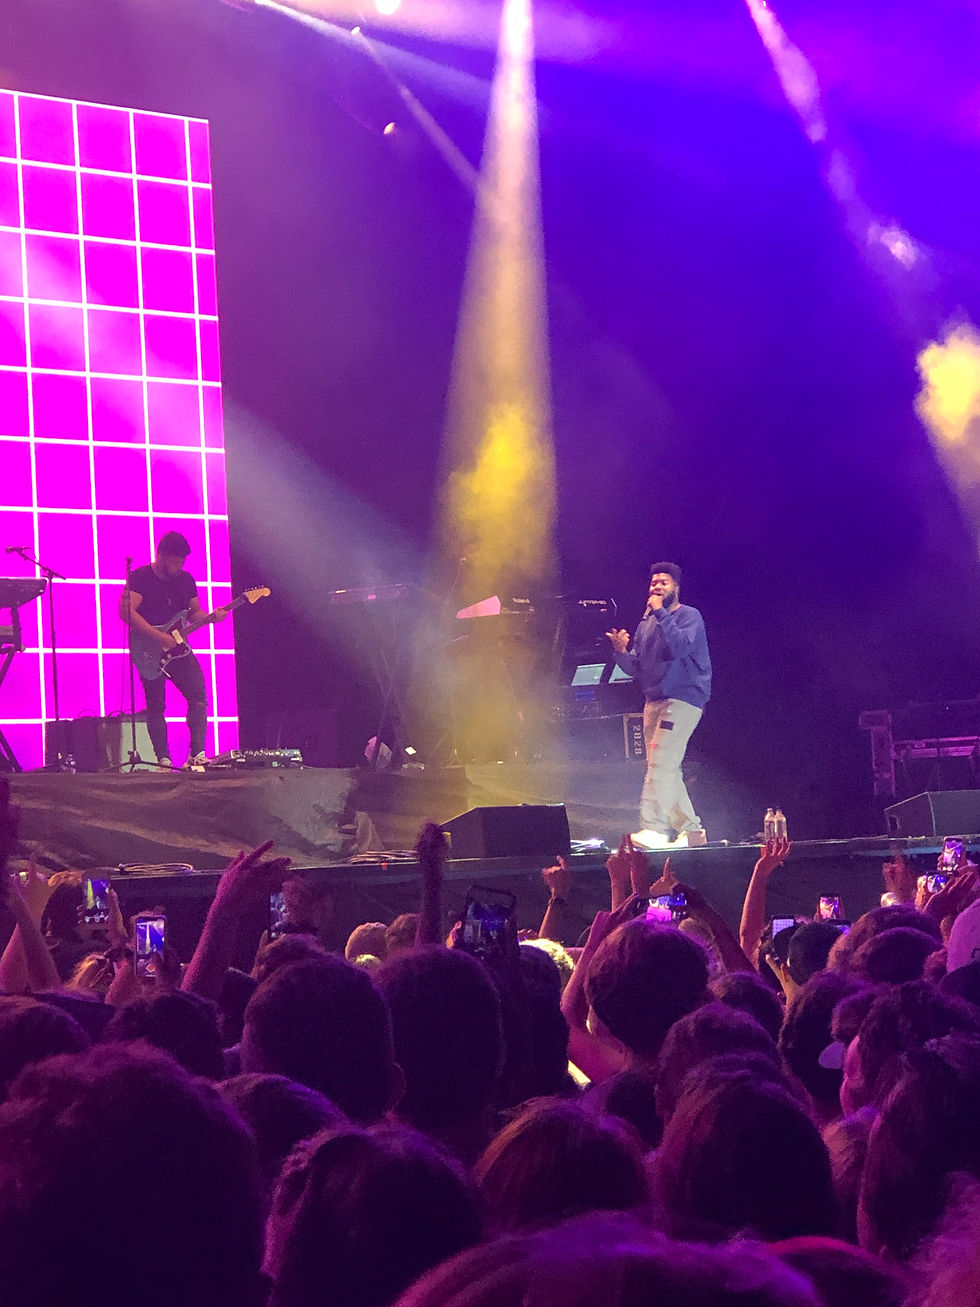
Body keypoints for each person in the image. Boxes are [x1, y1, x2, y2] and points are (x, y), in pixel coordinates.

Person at [605, 562, 711, 850]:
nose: (656, 587)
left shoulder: (689, 616)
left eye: (663, 582)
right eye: (653, 583)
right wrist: (621, 652)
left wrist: (661, 613)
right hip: (653, 700)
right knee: (665, 767)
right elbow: (637, 668)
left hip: (683, 698)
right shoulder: (646, 624)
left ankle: (654, 828)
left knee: (661, 763)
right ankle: (692, 831)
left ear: (676, 587)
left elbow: (679, 647)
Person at [121, 530, 225, 771]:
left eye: (182, 562)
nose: (179, 567)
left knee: (198, 697)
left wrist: (212, 617)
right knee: (156, 704)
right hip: (149, 648)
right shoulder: (141, 577)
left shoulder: (186, 581)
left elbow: (194, 614)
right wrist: (159, 637)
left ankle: (197, 754)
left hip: (178, 648)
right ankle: (163, 760)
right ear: (161, 556)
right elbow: (126, 611)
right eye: (175, 562)